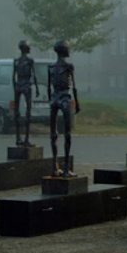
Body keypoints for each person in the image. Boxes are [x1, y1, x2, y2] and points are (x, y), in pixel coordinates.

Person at [47, 40, 79, 176]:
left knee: (53, 134)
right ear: (63, 51)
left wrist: (51, 100)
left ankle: (55, 168)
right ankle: (65, 169)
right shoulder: (69, 66)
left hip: (54, 98)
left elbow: (49, 87)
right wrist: (77, 103)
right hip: (65, 98)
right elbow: (74, 87)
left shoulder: (51, 67)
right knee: (67, 134)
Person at [12, 39, 40, 147]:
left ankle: (18, 138)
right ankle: (26, 139)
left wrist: (15, 87)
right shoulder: (29, 61)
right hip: (26, 85)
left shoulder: (16, 61)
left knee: (17, 112)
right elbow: (34, 75)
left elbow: (13, 78)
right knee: (28, 112)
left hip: (19, 85)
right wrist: (36, 88)